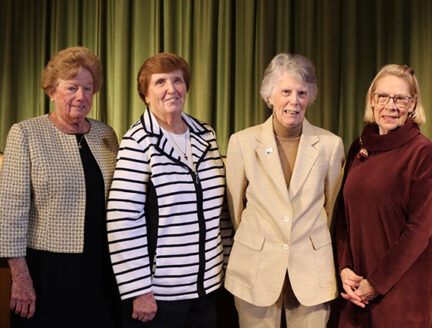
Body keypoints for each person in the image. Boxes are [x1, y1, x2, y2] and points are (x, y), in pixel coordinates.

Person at [106, 52, 233, 327]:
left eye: (177, 80)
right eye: (160, 82)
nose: (171, 89)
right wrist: (139, 290)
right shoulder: (138, 141)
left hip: (208, 287)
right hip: (159, 294)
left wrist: (228, 266)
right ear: (145, 94)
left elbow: (221, 209)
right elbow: (122, 219)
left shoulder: (206, 134)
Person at [0, 46, 121, 327]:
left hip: (99, 268)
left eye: (88, 89)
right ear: (52, 91)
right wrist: (19, 278)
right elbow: (10, 212)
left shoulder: (106, 134)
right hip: (47, 271)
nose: (81, 96)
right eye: (72, 88)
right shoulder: (26, 133)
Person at [224, 53, 345, 327]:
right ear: (270, 96)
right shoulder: (241, 142)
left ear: (310, 96)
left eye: (302, 92)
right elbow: (235, 211)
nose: (294, 101)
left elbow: (332, 212)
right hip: (255, 270)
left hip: (312, 273)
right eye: (286, 92)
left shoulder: (330, 145)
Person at [334, 64, 432, 327]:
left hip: (401, 289)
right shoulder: (359, 146)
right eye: (382, 97)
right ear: (372, 100)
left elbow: (419, 230)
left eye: (400, 99)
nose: (390, 106)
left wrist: (377, 283)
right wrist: (345, 268)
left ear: (413, 104)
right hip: (357, 288)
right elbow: (343, 218)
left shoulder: (421, 151)